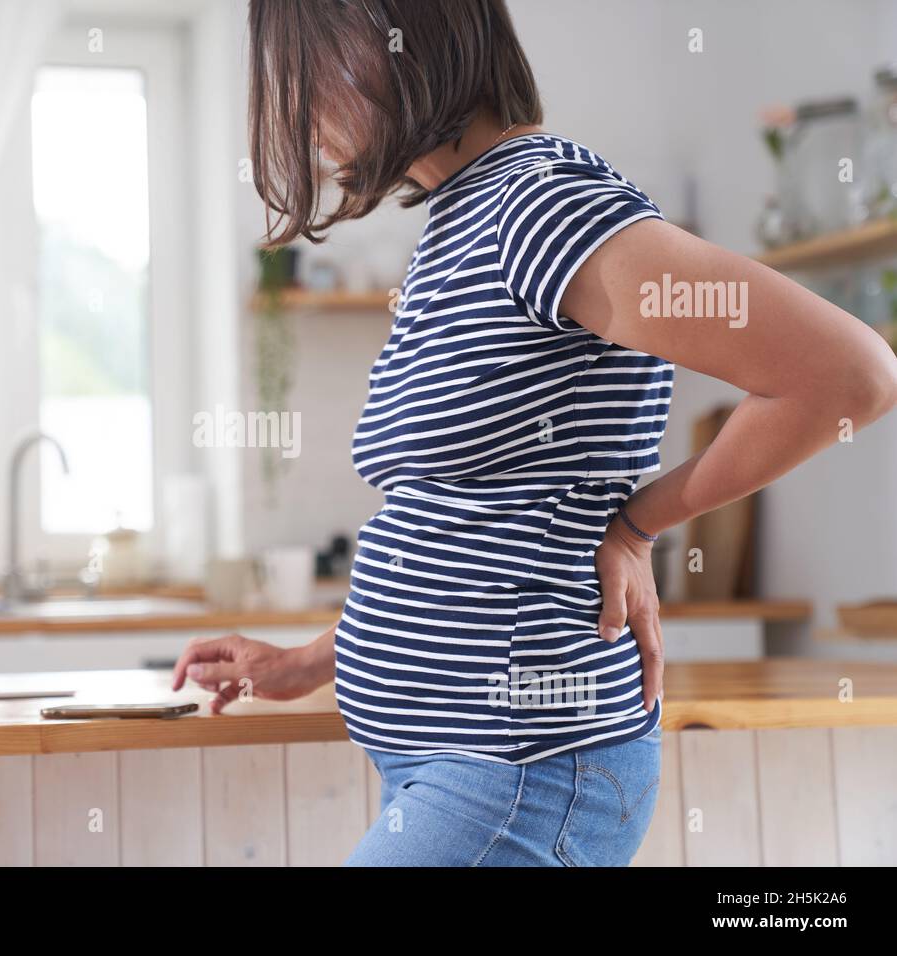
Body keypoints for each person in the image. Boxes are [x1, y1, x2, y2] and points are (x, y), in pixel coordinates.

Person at [173, 0, 897, 866]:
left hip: (522, 773)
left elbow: (849, 377)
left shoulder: (541, 204)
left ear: (399, 36)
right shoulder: (461, 220)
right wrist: (315, 659)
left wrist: (636, 525)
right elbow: (466, 527)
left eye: (304, 69)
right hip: (461, 768)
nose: (298, 109)